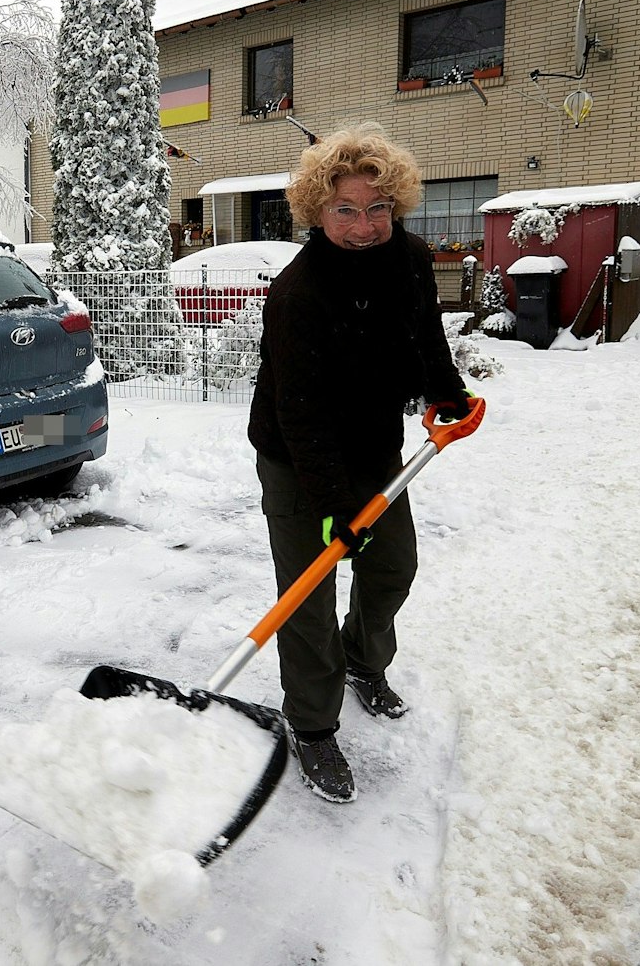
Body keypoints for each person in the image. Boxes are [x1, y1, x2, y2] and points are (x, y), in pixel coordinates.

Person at [247, 124, 473, 803]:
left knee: (391, 565)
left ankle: (364, 660)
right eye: (346, 209)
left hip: (374, 446)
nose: (365, 225)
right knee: (307, 596)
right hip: (298, 459)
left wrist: (445, 391)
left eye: (378, 208)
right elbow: (301, 414)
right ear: (318, 211)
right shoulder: (299, 293)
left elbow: (424, 328)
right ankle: (312, 724)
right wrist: (334, 510)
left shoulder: (407, 257)